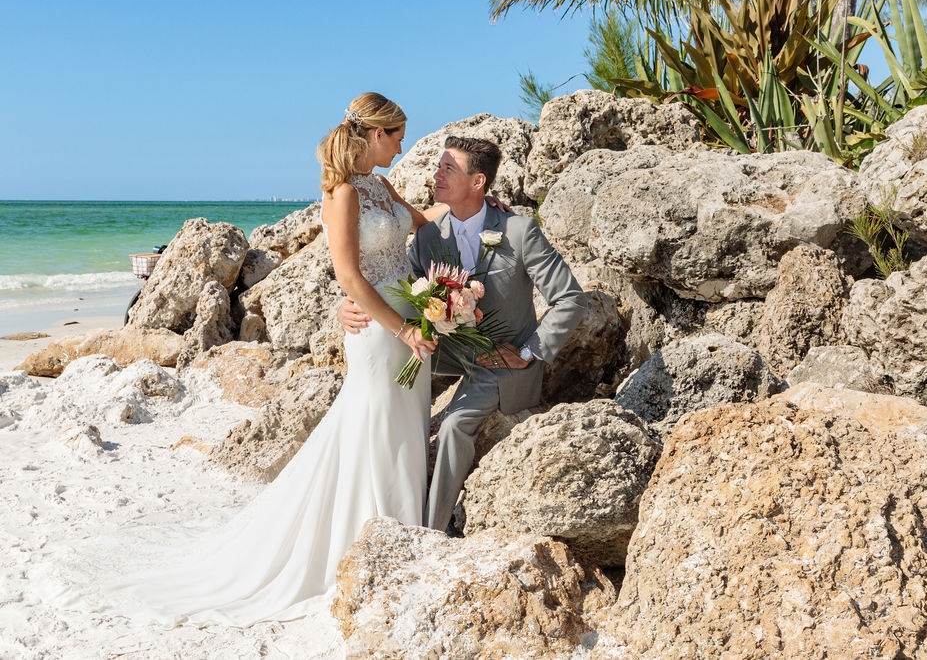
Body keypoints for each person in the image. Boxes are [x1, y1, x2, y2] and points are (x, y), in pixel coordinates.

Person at [39, 92, 465, 626]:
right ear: (373, 134)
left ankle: (401, 532)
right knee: (374, 421)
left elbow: (420, 222)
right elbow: (349, 274)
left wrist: (474, 209)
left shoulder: (380, 185)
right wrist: (401, 328)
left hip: (413, 316)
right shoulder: (341, 193)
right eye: (397, 136)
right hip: (383, 330)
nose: (403, 146)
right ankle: (371, 537)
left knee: (401, 421)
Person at [341, 135, 586, 533]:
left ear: (478, 183)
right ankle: (367, 495)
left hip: (501, 359)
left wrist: (527, 351)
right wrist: (350, 304)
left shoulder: (520, 232)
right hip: (447, 348)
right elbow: (401, 287)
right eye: (438, 166)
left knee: (454, 425)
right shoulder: (427, 237)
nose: (435, 175)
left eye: (447, 169)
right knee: (383, 372)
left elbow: (571, 298)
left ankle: (429, 532)